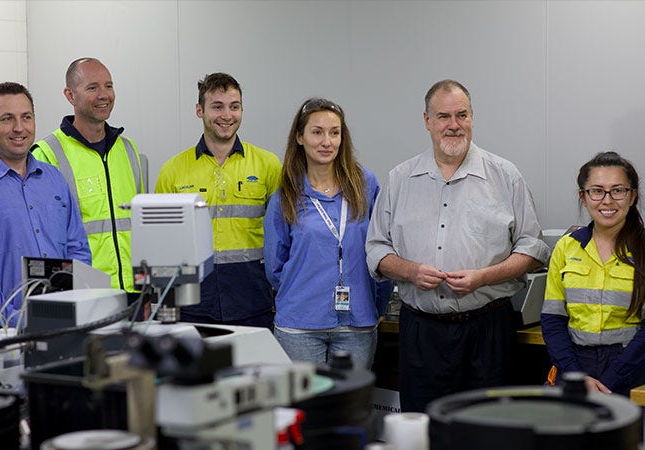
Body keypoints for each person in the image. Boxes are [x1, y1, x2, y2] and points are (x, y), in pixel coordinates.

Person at [365, 79, 550, 412]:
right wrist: (410, 271)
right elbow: (376, 250)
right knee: (424, 428)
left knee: (487, 429)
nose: (453, 125)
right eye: (443, 116)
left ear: (472, 117)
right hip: (421, 332)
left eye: (461, 115)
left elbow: (533, 249)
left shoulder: (505, 176)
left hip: (488, 330)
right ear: (427, 121)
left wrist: (484, 277)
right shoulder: (399, 179)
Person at [263, 98, 392, 369]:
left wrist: (378, 306)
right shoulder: (286, 194)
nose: (327, 141)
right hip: (300, 325)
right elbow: (275, 267)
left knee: (350, 409)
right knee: (306, 409)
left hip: (358, 323)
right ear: (299, 137)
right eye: (317, 132)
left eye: (335, 133)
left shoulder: (365, 185)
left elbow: (382, 247)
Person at [156, 73, 281, 327]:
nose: (227, 115)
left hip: (254, 302)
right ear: (199, 110)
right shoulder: (173, 170)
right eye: (217, 106)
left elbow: (285, 236)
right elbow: (162, 244)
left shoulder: (269, 165)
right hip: (192, 307)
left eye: (234, 107)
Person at [0, 82, 91, 324]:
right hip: (2, 332)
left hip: (62, 323)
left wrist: (73, 307)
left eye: (26, 117)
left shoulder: (54, 179)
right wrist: (16, 321)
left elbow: (78, 250)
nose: (19, 128)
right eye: (7, 119)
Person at [32, 58, 145, 303]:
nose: (104, 95)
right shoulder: (46, 154)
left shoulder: (128, 150)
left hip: (133, 293)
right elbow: (44, 240)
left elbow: (141, 227)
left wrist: (147, 291)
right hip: (83, 294)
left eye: (108, 85)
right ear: (70, 95)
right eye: (92, 88)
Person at [541, 151, 645, 396]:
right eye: (597, 191)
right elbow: (553, 320)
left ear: (632, 196)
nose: (607, 200)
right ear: (583, 197)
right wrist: (576, 376)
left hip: (630, 366)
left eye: (618, 190)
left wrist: (611, 380)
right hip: (574, 363)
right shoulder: (566, 247)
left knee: (626, 435)